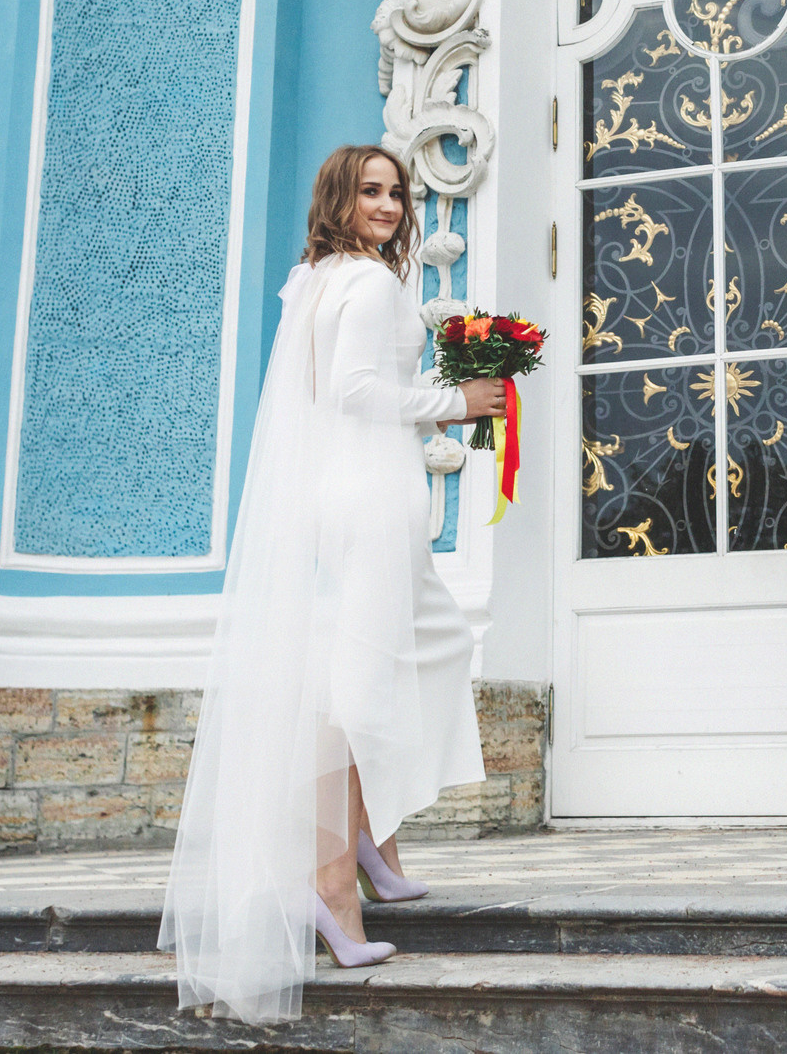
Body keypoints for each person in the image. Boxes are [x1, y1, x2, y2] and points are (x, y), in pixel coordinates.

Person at [159, 145, 507, 1021]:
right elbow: (355, 389)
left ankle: (371, 838)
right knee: (356, 691)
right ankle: (331, 887)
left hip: (338, 494)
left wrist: (445, 381)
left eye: (397, 192)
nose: (388, 205)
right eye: (371, 192)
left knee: (420, 646)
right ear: (340, 201)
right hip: (372, 495)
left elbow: (341, 385)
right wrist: (457, 404)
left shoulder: (313, 278)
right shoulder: (372, 285)